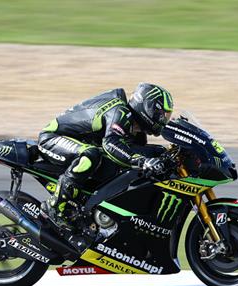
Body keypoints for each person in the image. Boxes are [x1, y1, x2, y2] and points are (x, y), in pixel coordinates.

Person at [38, 83, 174, 226]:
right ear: (147, 106)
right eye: (161, 114)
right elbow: (111, 144)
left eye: (166, 116)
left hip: (79, 141)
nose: (163, 120)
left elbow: (135, 151)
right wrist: (142, 162)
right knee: (90, 155)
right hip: (52, 137)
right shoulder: (119, 112)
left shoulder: (135, 129)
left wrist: (163, 154)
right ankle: (54, 207)